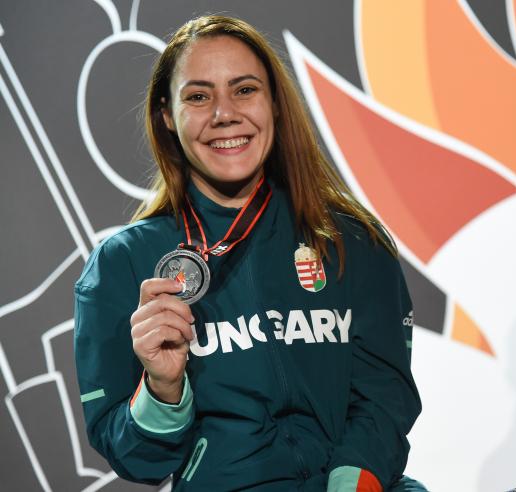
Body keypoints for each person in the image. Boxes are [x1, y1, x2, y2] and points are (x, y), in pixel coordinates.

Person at [74, 15, 423, 492]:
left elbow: (383, 397)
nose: (224, 114)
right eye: (198, 96)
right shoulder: (123, 265)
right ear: (166, 116)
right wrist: (163, 388)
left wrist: (352, 484)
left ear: (275, 105)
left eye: (244, 90)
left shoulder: (352, 240)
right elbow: (138, 460)